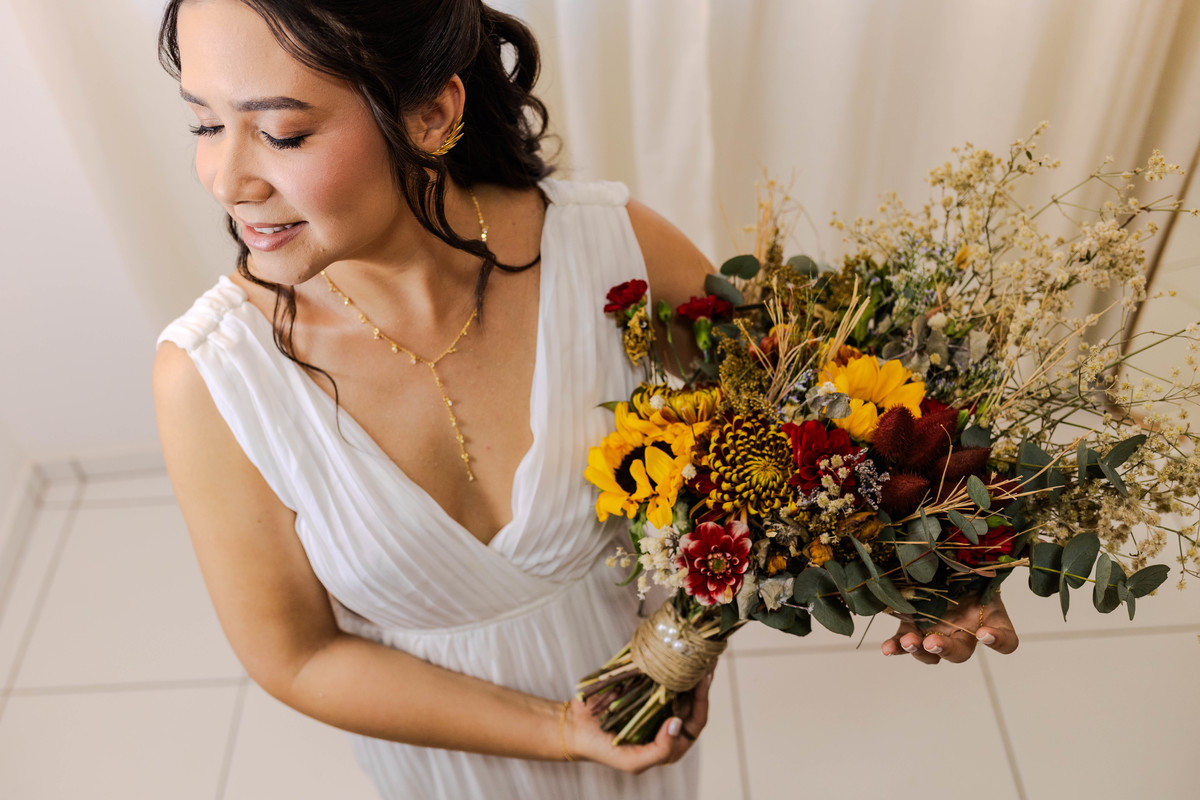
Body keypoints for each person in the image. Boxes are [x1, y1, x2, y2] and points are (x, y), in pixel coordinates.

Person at [152, 1, 1019, 798]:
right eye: (203, 121)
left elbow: (826, 420)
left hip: (647, 728)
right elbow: (299, 657)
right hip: (447, 764)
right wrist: (558, 732)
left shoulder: (612, 250)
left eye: (282, 133)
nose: (226, 179)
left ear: (432, 113)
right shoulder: (213, 378)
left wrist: (937, 560)